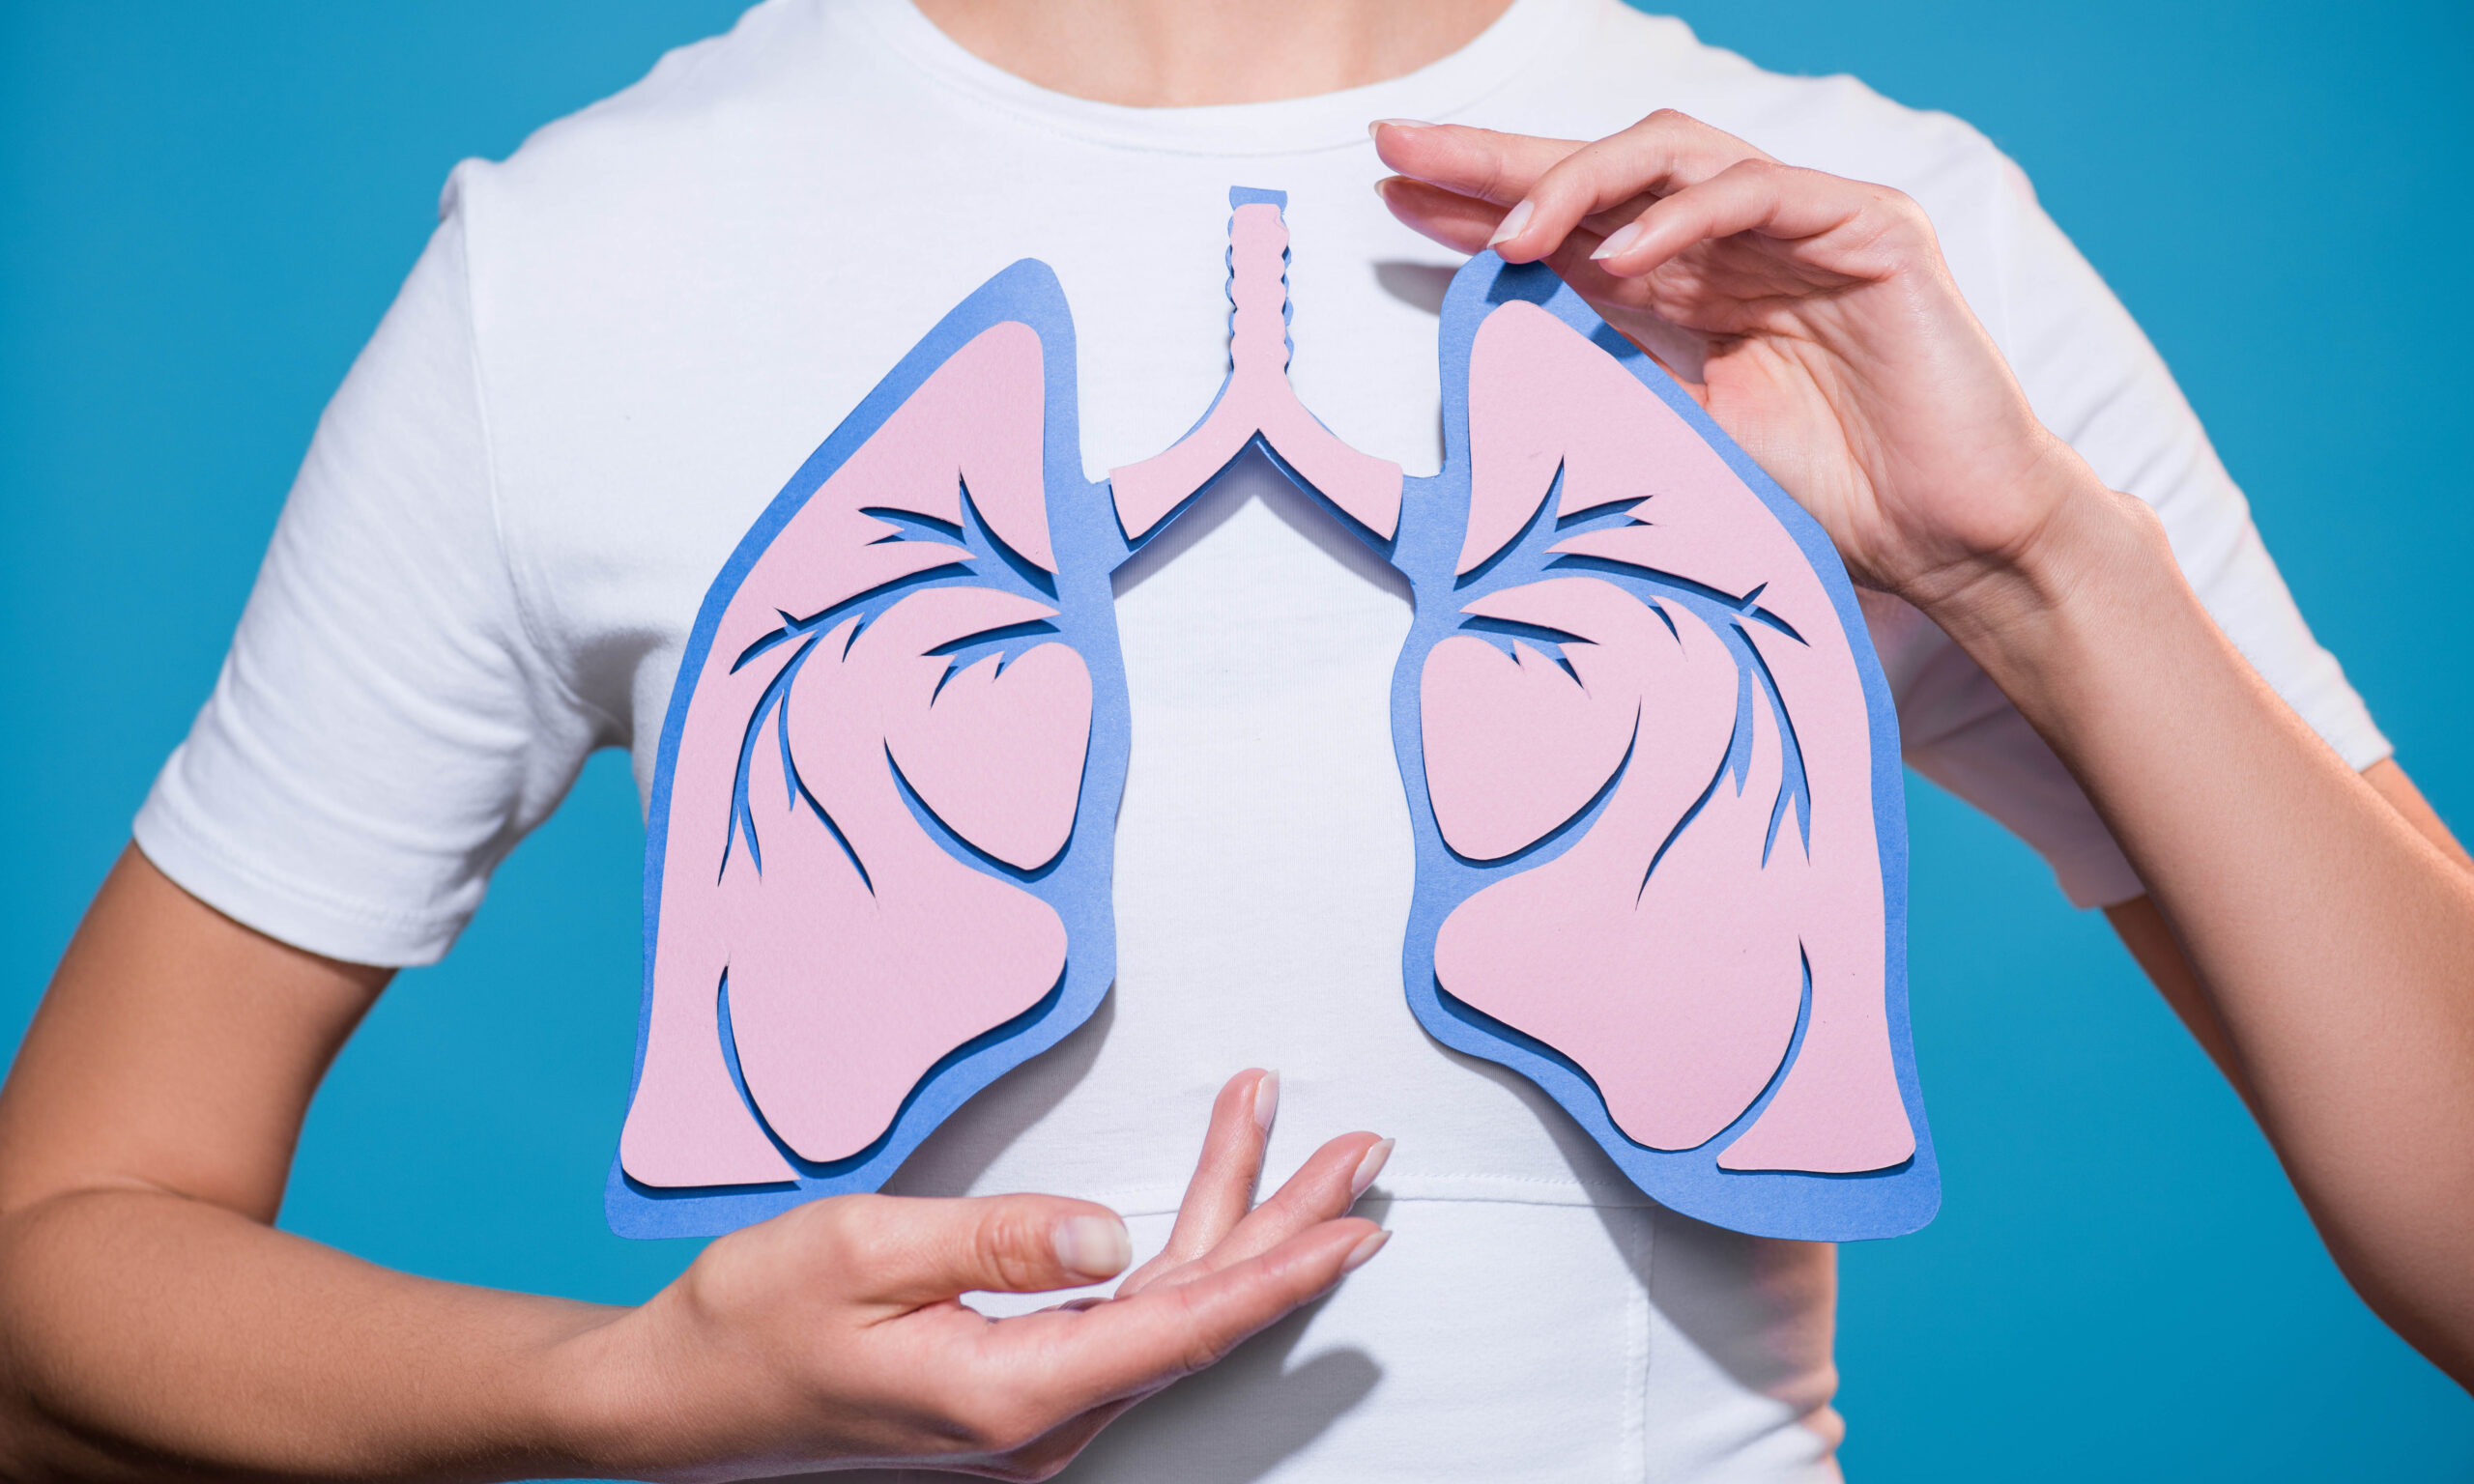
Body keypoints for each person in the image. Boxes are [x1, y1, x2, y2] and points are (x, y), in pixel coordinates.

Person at [1, 0, 2466, 1477]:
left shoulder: (1854, 243)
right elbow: (50, 1284)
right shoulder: (585, 261)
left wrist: (2029, 564)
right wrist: (627, 1392)